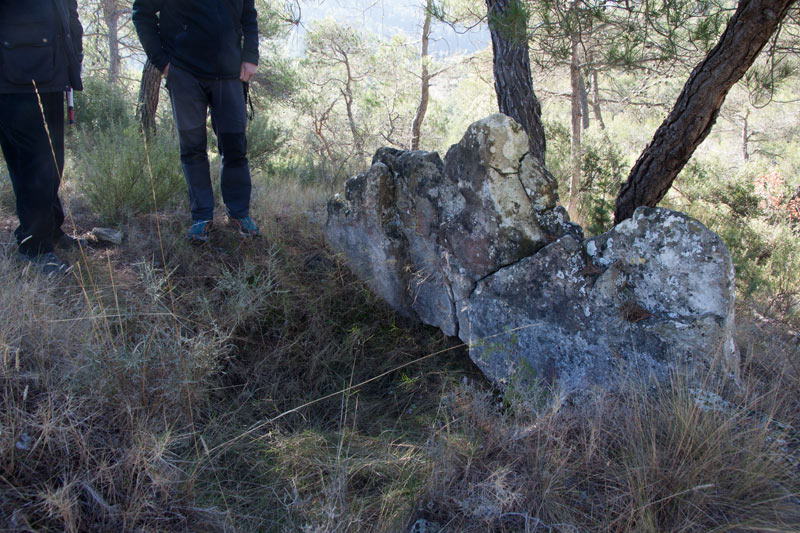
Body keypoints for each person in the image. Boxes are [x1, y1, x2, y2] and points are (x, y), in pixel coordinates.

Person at [132, 0, 261, 242]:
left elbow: (249, 15)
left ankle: (239, 214)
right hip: (185, 74)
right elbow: (142, 13)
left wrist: (250, 55)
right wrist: (163, 62)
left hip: (230, 73)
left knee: (235, 147)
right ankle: (202, 217)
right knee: (192, 148)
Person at [0, 0, 84, 275]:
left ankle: (48, 228)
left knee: (51, 164)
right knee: (32, 166)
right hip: (14, 79)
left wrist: (74, 60)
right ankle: (34, 246)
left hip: (52, 74)